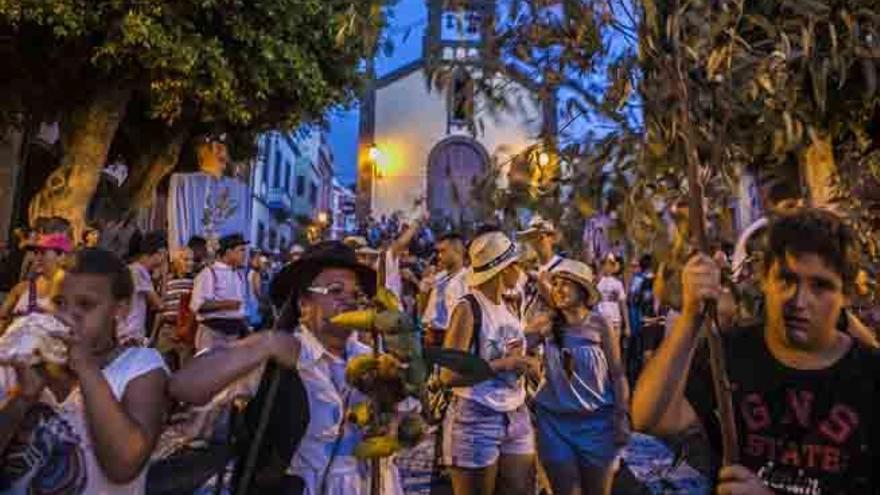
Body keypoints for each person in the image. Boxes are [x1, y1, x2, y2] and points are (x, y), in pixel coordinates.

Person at [633, 208, 880, 494]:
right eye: (786, 280)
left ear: (846, 294)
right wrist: (690, 317)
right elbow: (650, 419)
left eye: (820, 286)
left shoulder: (870, 377)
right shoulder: (729, 353)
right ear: (764, 278)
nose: (799, 301)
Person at [170, 241, 411, 494]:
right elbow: (183, 386)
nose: (349, 301)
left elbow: (401, 428)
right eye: (335, 290)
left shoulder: (373, 361)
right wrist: (265, 344)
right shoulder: (275, 358)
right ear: (303, 303)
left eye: (355, 294)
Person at [0, 248, 169, 493]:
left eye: (86, 305)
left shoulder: (139, 366)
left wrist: (86, 367)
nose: (69, 314)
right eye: (59, 302)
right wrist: (23, 397)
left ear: (119, 309)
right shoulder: (26, 361)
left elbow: (124, 466)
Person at [440, 230, 538, 495]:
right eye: (515, 264)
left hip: (515, 413)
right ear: (503, 269)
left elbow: (509, 349)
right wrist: (503, 365)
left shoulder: (509, 305)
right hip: (476, 417)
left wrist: (528, 362)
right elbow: (447, 375)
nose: (520, 270)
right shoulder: (468, 307)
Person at [528, 259, 629, 495]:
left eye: (566, 284)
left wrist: (622, 416)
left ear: (583, 291)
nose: (558, 290)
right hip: (555, 424)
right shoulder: (546, 323)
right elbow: (514, 347)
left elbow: (617, 373)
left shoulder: (600, 324)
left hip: (598, 424)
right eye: (555, 284)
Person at [0, 233, 72, 332]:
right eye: (36, 253)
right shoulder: (21, 288)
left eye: (43, 253)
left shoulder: (73, 291)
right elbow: (2, 318)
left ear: (61, 256)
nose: (36, 258)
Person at [190, 233, 249, 352]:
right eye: (241, 250)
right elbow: (198, 305)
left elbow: (239, 310)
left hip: (234, 334)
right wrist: (228, 304)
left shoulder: (238, 275)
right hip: (213, 334)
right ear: (228, 252)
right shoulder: (209, 273)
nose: (244, 255)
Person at [421, 232, 468, 346]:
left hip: (450, 337)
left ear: (457, 251)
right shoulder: (439, 278)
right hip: (432, 335)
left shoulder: (467, 280)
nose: (439, 256)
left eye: (443, 251)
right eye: (438, 252)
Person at [518, 216, 567, 324]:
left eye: (540, 237)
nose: (535, 241)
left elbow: (565, 304)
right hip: (526, 331)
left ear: (552, 239)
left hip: (552, 331)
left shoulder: (564, 267)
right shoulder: (526, 270)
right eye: (531, 237)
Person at [121, 231, 166, 346]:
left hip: (126, 332)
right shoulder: (139, 271)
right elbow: (159, 305)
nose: (163, 260)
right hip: (132, 334)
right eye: (164, 255)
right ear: (159, 253)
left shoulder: (131, 269)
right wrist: (165, 276)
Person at [154, 248, 196, 370]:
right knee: (163, 370)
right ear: (176, 261)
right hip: (166, 331)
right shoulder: (167, 281)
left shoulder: (195, 281)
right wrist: (153, 336)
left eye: (192, 260)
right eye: (186, 259)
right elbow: (161, 307)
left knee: (186, 372)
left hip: (185, 333)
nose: (190, 263)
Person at [596, 254, 631, 350]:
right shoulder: (596, 282)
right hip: (600, 321)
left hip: (615, 322)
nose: (608, 267)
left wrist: (627, 326)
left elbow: (623, 305)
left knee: (615, 352)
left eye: (611, 264)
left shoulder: (618, 283)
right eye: (606, 264)